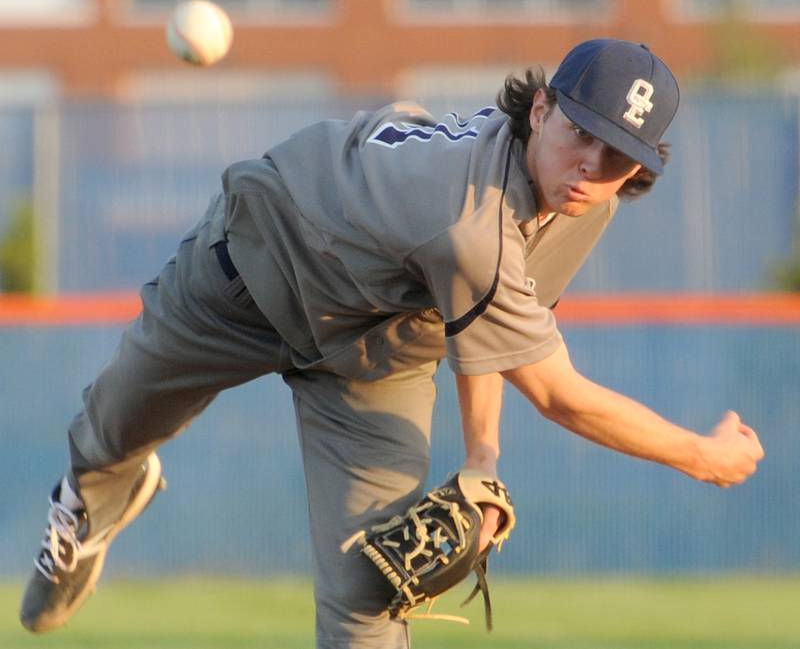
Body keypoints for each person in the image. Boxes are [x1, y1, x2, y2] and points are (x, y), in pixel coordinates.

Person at [20, 39, 763, 648]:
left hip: (381, 350)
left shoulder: (581, 206)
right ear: (542, 109)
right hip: (254, 273)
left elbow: (492, 329)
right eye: (583, 134)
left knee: (366, 595)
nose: (593, 170)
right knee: (113, 425)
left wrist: (482, 461)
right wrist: (702, 455)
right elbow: (556, 391)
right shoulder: (469, 212)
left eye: (621, 155)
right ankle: (89, 507)